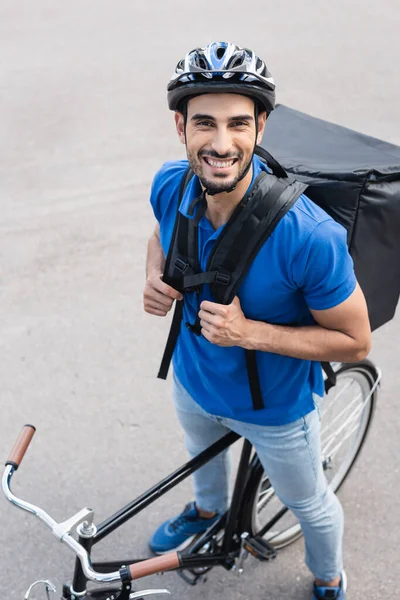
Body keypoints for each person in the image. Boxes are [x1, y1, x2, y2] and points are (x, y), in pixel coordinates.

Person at [143, 41, 371, 600]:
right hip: (194, 379)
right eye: (205, 123)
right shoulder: (170, 184)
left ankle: (329, 578)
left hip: (275, 411)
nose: (221, 144)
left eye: (238, 123)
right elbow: (158, 235)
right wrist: (154, 276)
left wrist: (253, 334)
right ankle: (206, 510)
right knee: (202, 462)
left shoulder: (310, 237)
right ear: (180, 126)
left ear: (260, 127)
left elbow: (355, 341)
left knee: (310, 503)